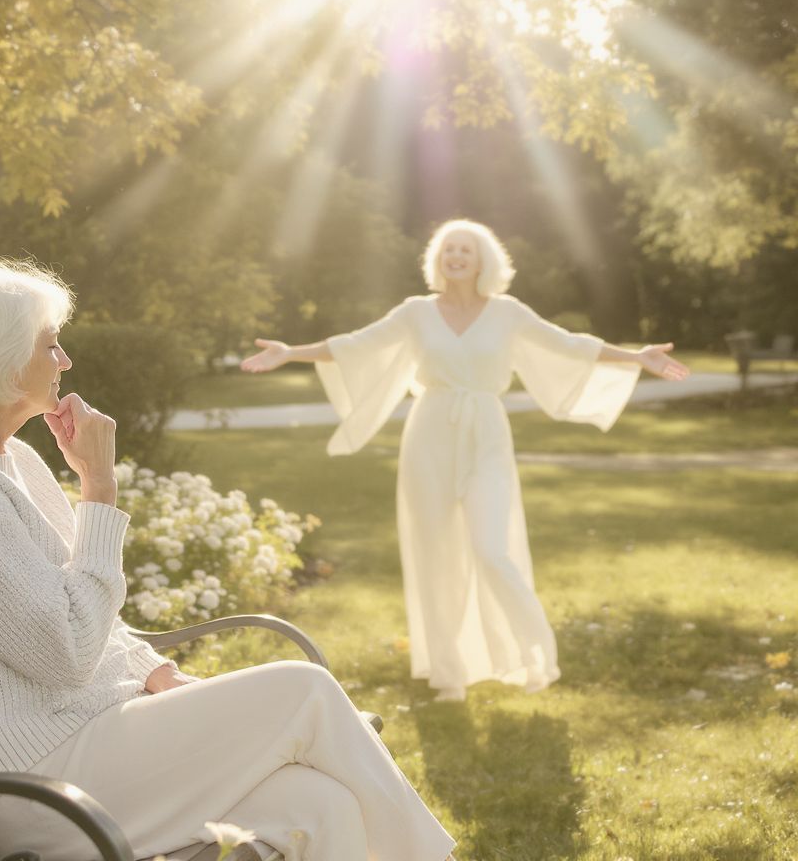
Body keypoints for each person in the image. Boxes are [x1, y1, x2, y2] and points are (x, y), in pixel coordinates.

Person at [0, 257, 456, 861]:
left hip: (78, 747)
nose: (65, 362)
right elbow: (68, 648)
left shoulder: (9, 461)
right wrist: (98, 490)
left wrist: (152, 668)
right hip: (23, 788)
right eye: (50, 346)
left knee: (319, 806)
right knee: (304, 692)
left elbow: (78, 609)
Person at [241, 220, 690, 703]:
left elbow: (569, 343)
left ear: (483, 261)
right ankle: (450, 674)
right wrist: (291, 353)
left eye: (467, 250)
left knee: (492, 550)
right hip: (430, 433)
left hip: (486, 433)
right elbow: (355, 344)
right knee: (435, 555)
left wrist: (636, 357)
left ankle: (533, 656)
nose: (457, 256)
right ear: (438, 257)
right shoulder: (416, 312)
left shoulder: (507, 313)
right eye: (449, 248)